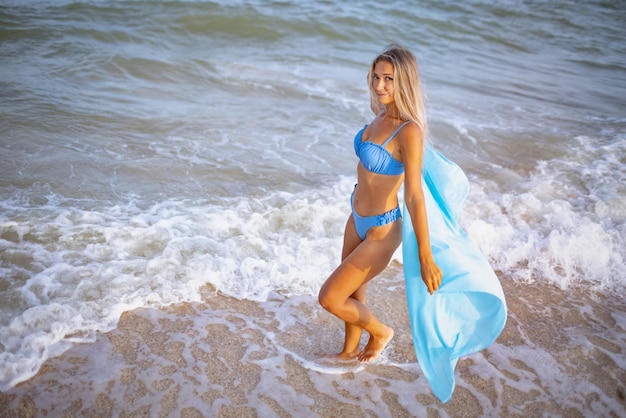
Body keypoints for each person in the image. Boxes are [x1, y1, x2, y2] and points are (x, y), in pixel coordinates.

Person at [318, 44, 443, 363]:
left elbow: (414, 194)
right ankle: (348, 352)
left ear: (404, 81)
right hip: (355, 217)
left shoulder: (409, 131)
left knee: (330, 298)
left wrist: (425, 255)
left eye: (388, 78)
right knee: (351, 293)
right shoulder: (378, 117)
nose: (379, 85)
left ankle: (381, 332)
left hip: (381, 229)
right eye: (375, 77)